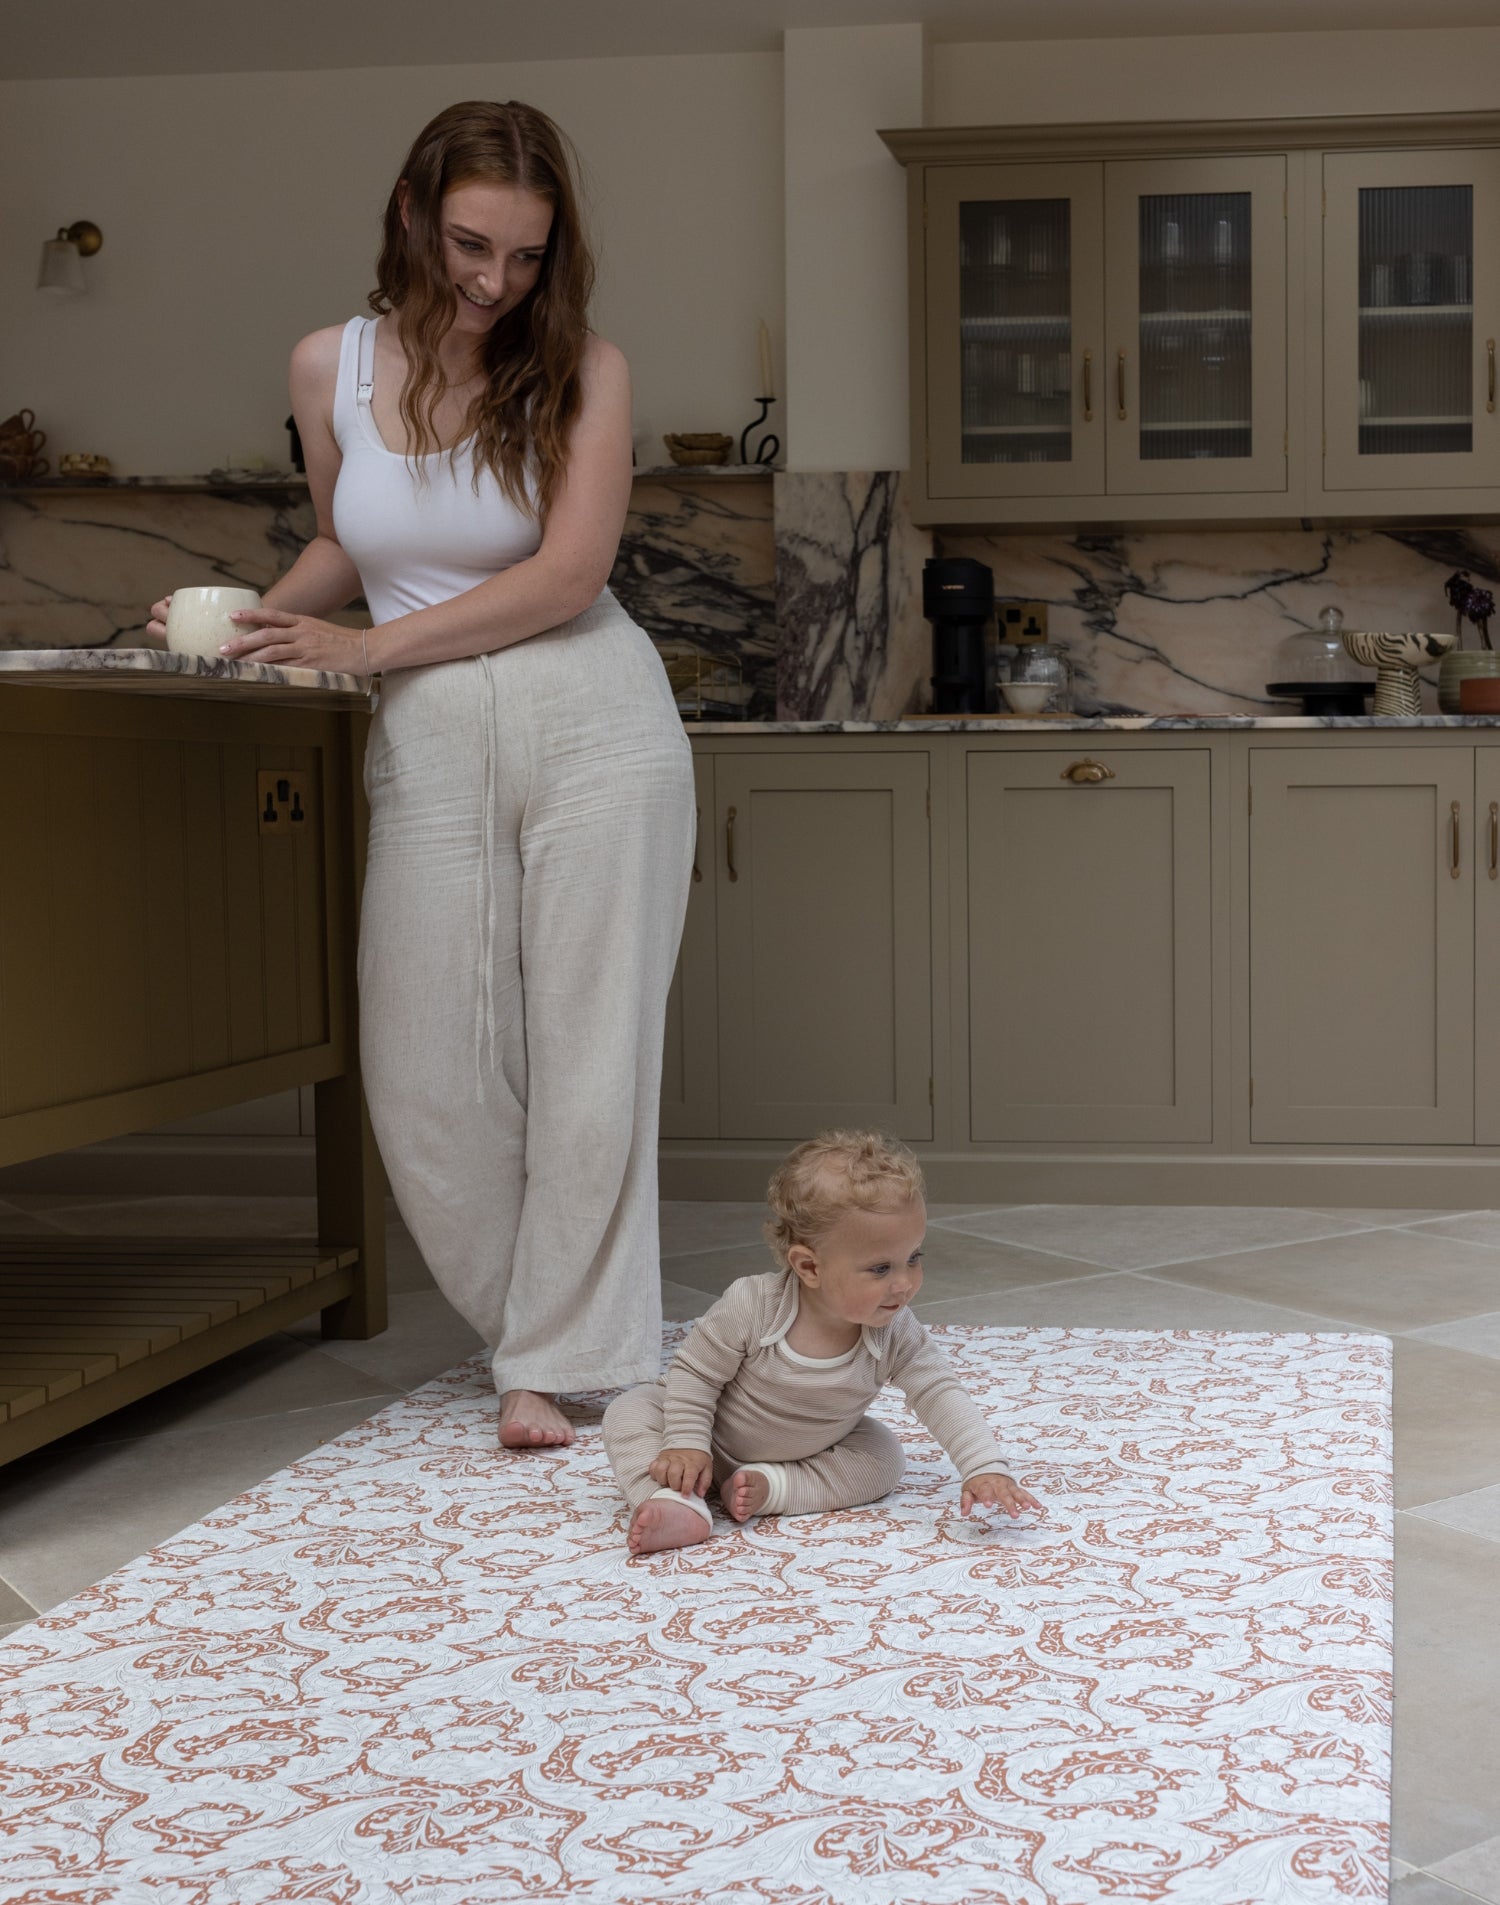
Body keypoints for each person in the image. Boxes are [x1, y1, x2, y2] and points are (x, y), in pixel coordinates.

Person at [149, 101, 696, 1452]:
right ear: (412, 210)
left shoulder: (588, 370)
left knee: (591, 1056)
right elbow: (352, 540)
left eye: (524, 254)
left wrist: (365, 648)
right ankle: (544, 1332)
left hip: (594, 716)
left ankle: (558, 1364)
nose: (494, 281)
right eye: (470, 243)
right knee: (425, 1063)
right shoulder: (327, 366)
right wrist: (246, 628)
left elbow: (567, 577)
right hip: (434, 730)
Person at [603, 1130, 1042, 1555]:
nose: (905, 1283)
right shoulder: (754, 1305)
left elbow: (940, 1392)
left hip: (807, 1454)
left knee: (883, 1456)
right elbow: (695, 1376)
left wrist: (983, 1467)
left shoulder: (894, 1330)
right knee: (630, 1411)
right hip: (706, 1438)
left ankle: (775, 1489)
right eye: (881, 1269)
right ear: (809, 1267)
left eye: (913, 1258)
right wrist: (685, 1442)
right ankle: (672, 1500)